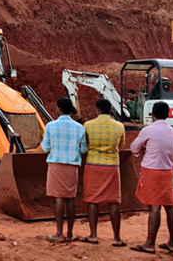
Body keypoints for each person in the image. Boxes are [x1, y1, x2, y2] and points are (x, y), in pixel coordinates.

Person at [130, 102, 173, 254]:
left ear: (152, 115)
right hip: (167, 170)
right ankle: (172, 242)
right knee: (169, 206)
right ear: (168, 114)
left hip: (152, 170)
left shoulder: (149, 130)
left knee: (154, 206)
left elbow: (134, 147)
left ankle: (150, 243)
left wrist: (141, 152)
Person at [81, 99, 126, 246]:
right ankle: (117, 238)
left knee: (93, 200)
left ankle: (93, 235)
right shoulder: (119, 126)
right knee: (113, 201)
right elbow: (121, 144)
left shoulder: (88, 125)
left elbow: (84, 144)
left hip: (93, 164)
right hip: (112, 165)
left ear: (98, 110)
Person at [41, 98, 86, 244]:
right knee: (70, 198)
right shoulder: (80, 128)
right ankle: (70, 233)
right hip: (72, 166)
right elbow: (84, 149)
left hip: (55, 165)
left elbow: (45, 148)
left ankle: (59, 233)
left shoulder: (50, 126)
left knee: (58, 198)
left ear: (59, 109)